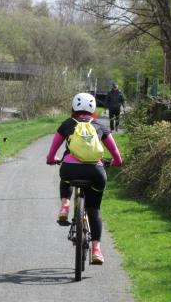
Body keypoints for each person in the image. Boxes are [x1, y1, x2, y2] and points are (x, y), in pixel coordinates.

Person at [46, 92, 123, 264]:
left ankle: (65, 204)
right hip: (95, 172)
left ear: (73, 107)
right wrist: (116, 162)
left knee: (65, 178)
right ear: (93, 108)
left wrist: (51, 159)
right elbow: (116, 154)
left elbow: (53, 151)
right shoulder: (100, 126)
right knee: (94, 209)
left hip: (70, 169)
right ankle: (96, 249)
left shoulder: (67, 124)